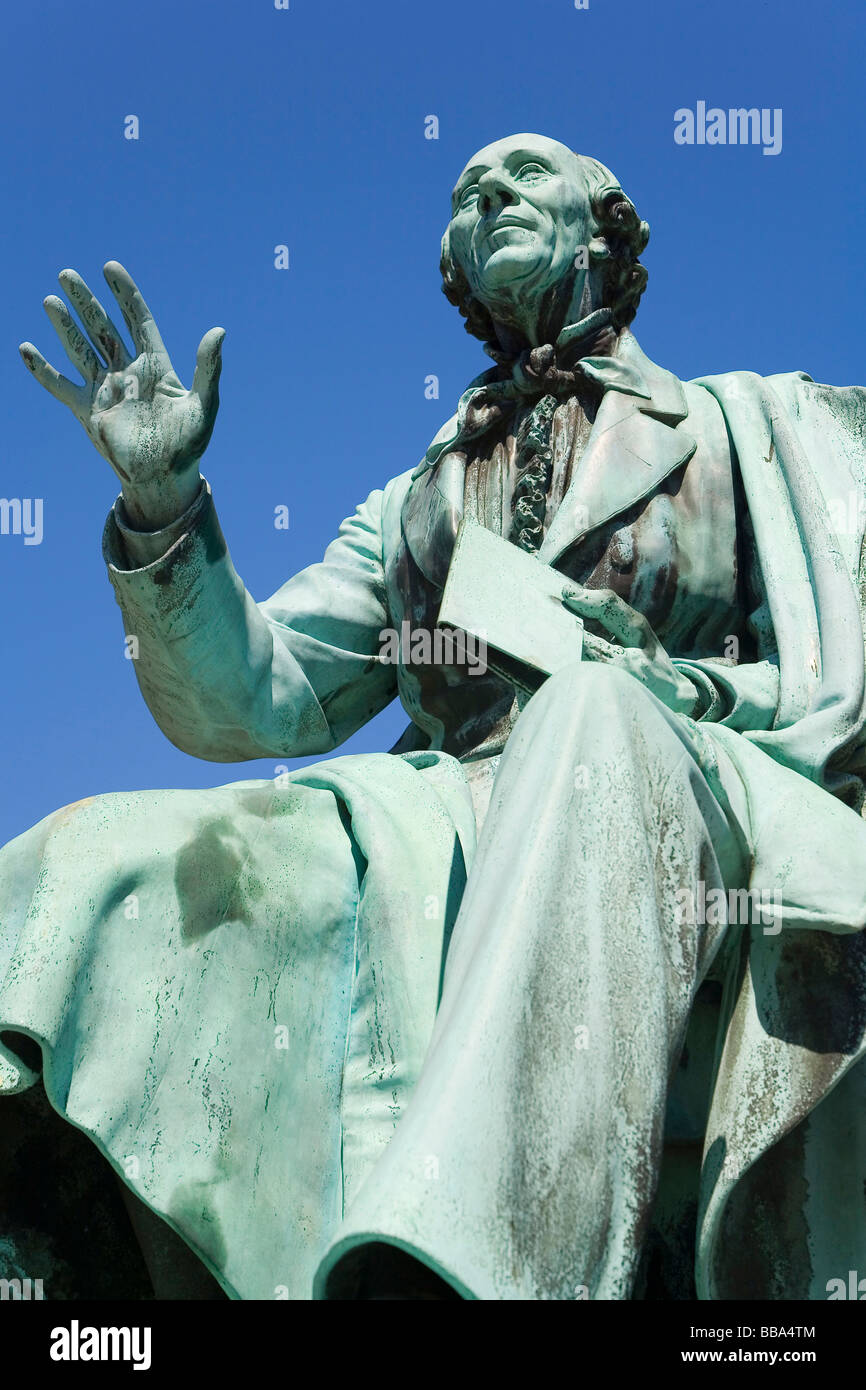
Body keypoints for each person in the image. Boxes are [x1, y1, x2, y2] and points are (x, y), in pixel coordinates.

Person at [4, 134, 866, 1301]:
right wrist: (163, 509)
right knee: (95, 855)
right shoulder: (413, 500)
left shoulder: (749, 429)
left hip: (686, 786)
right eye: (466, 193)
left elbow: (828, 684)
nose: (487, 194)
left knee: (593, 714)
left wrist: (687, 684)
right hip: (439, 819)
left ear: (607, 228)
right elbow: (265, 693)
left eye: (521, 176)